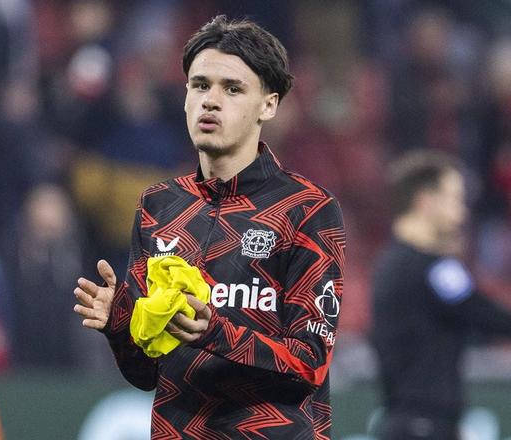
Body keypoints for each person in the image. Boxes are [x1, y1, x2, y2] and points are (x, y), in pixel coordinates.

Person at [73, 15, 346, 439]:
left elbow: (309, 362)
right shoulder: (159, 207)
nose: (211, 101)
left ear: (268, 105)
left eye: (232, 89)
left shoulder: (307, 209)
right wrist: (119, 322)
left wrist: (213, 331)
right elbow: (146, 372)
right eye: (200, 85)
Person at [370, 150, 511, 440]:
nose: (462, 212)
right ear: (426, 201)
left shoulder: (389, 266)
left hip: (409, 421)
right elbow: (499, 320)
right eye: (454, 199)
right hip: (425, 426)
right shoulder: (433, 270)